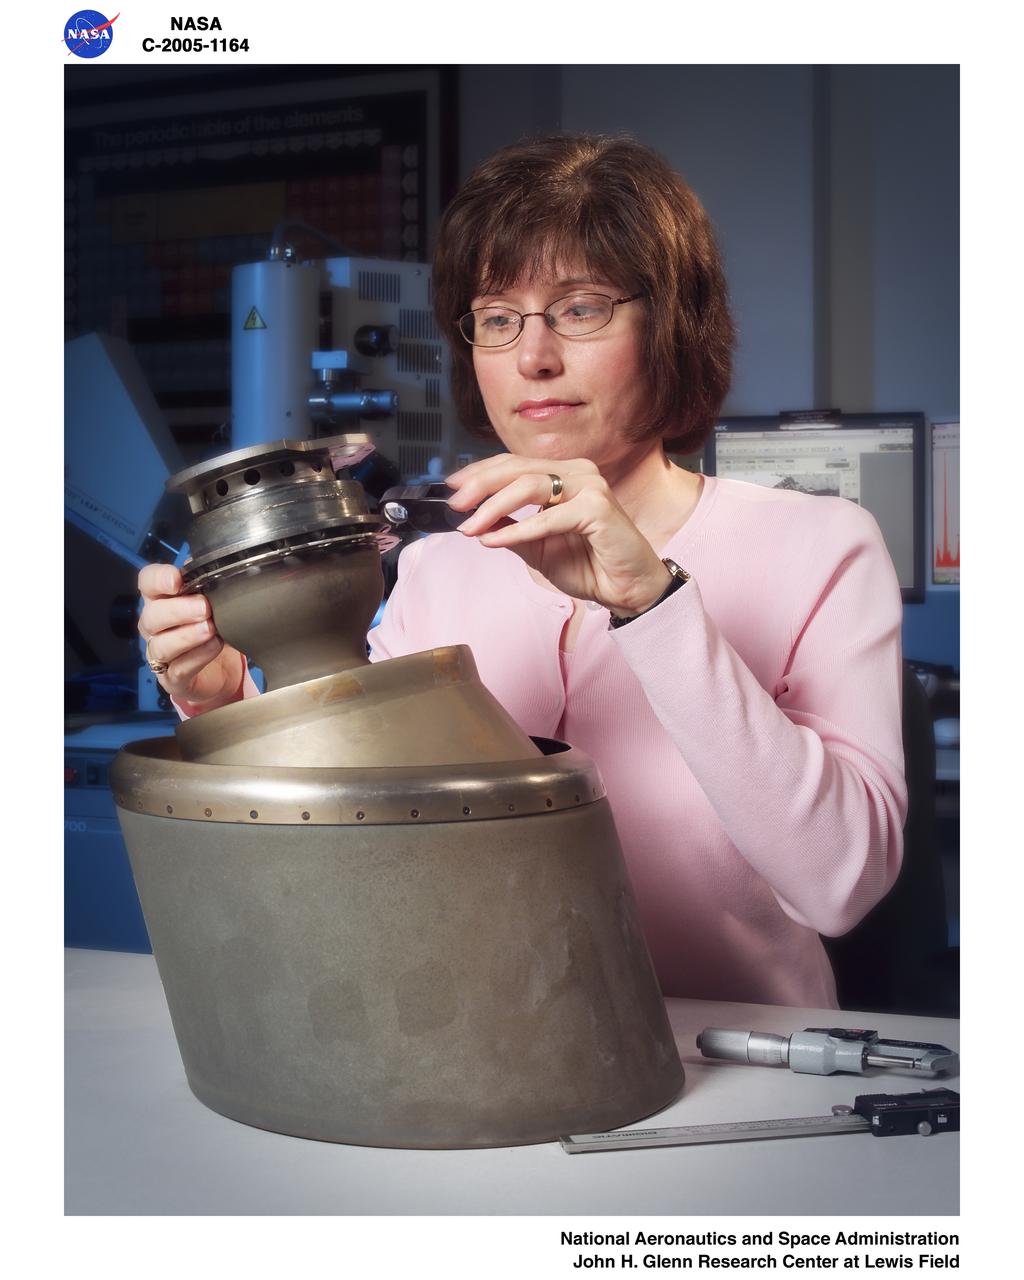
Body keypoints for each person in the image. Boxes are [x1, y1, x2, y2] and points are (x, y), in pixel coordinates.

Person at [138, 133, 907, 1008]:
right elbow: (345, 849)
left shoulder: (821, 547)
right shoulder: (434, 571)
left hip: (743, 1063)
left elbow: (842, 884)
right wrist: (224, 703)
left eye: (581, 309)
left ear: (675, 328)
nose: (533, 357)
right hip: (490, 1055)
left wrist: (652, 605)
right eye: (499, 318)